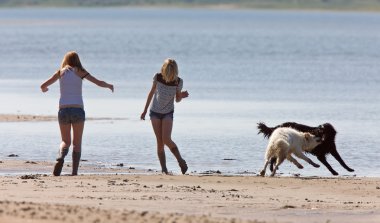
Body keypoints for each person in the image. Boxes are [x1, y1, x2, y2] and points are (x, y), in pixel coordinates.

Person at [40, 51, 114, 176]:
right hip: (78, 110)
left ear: (66, 60)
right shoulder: (80, 71)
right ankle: (74, 172)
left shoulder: (60, 72)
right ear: (77, 61)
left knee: (65, 141)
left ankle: (60, 157)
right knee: (77, 143)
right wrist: (109, 85)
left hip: (63, 110)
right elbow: (98, 82)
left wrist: (45, 89)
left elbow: (43, 85)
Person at [141, 58, 189, 175]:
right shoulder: (157, 77)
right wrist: (145, 110)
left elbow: (177, 100)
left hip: (168, 112)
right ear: (164, 68)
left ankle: (181, 161)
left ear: (175, 70)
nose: (169, 71)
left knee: (166, 139)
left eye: (171, 69)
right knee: (160, 142)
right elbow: (151, 92)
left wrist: (181, 95)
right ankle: (164, 169)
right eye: (168, 68)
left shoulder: (178, 82)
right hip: (155, 112)